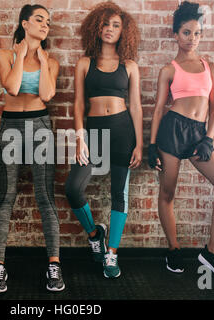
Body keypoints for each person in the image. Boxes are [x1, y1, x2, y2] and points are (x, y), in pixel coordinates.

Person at [148, 1, 214, 282]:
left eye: (197, 33)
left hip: (199, 134)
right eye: (186, 33)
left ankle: (212, 253)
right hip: (172, 131)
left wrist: (208, 139)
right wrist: (152, 146)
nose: (192, 38)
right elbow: (159, 108)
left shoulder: (210, 66)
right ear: (176, 34)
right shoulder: (169, 69)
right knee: (168, 193)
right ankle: (174, 249)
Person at [65, 2, 143, 278]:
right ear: (96, 27)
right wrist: (79, 139)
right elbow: (77, 105)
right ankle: (95, 233)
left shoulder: (130, 66)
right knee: (73, 188)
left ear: (124, 32)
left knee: (119, 194)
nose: (110, 29)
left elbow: (135, 106)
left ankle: (111, 253)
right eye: (106, 24)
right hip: (94, 132)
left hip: (123, 131)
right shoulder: (85, 62)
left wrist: (140, 143)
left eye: (116, 25)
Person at [0, 4, 64, 293]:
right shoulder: (5, 55)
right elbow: (12, 87)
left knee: (45, 196)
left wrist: (43, 61)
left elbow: (46, 94)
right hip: (10, 126)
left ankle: (54, 266)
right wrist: (21, 55)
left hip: (40, 126)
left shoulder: (52, 62)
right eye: (39, 19)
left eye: (48, 21)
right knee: (6, 196)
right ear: (24, 23)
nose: (45, 25)